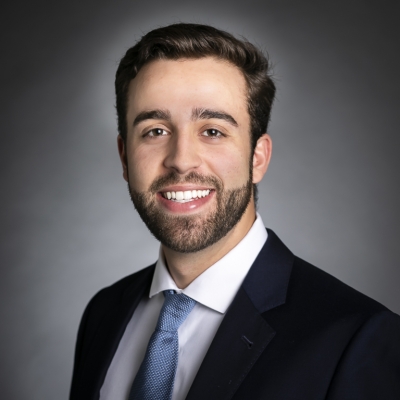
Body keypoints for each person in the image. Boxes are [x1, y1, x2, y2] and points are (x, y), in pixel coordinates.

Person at [70, 23, 400, 400]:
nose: (181, 161)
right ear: (125, 157)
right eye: (155, 131)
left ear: (257, 158)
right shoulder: (104, 313)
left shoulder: (359, 339)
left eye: (212, 131)